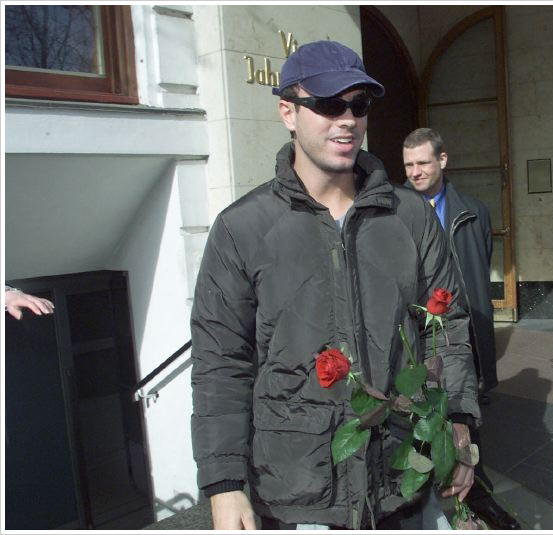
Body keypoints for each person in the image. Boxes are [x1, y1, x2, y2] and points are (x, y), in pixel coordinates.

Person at [190, 41, 481, 530]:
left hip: (401, 480)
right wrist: (224, 483)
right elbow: (221, 362)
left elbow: (446, 329)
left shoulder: (410, 216)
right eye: (327, 104)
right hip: (296, 492)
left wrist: (458, 421)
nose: (346, 120)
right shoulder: (242, 228)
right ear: (288, 112)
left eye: (358, 105)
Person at [402, 127, 520, 530]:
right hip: (420, 334)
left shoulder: (474, 211)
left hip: (461, 330)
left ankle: (477, 501)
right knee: (422, 421)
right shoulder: (393, 213)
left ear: (443, 160)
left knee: (464, 418)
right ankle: (427, 507)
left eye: (423, 162)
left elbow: (477, 267)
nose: (415, 172)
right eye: (408, 165)